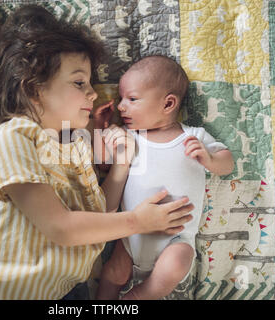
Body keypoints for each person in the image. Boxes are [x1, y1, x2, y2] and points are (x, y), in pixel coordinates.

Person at [0, 6, 194, 300]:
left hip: (60, 291)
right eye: (80, 82)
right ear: (33, 88)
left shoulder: (73, 152)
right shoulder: (13, 137)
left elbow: (97, 219)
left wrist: (120, 165)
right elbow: (62, 227)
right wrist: (138, 222)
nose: (93, 94)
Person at [94, 55, 234, 300]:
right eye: (120, 99)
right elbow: (104, 164)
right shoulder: (129, 137)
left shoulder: (193, 137)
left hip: (176, 238)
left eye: (132, 99)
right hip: (131, 235)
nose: (120, 107)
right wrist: (100, 130)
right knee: (112, 272)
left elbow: (227, 164)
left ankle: (140, 296)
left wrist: (210, 160)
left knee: (178, 262)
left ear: (168, 104)